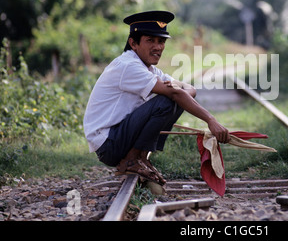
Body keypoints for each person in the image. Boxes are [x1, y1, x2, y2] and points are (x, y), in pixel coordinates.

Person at [83, 10, 230, 185]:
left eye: (161, 41)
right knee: (168, 100)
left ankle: (140, 158)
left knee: (175, 98)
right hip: (109, 143)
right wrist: (210, 120)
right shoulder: (128, 66)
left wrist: (177, 91)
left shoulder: (148, 69)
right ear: (133, 43)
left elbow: (189, 89)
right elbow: (177, 92)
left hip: (118, 137)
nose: (158, 47)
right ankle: (132, 160)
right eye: (150, 40)